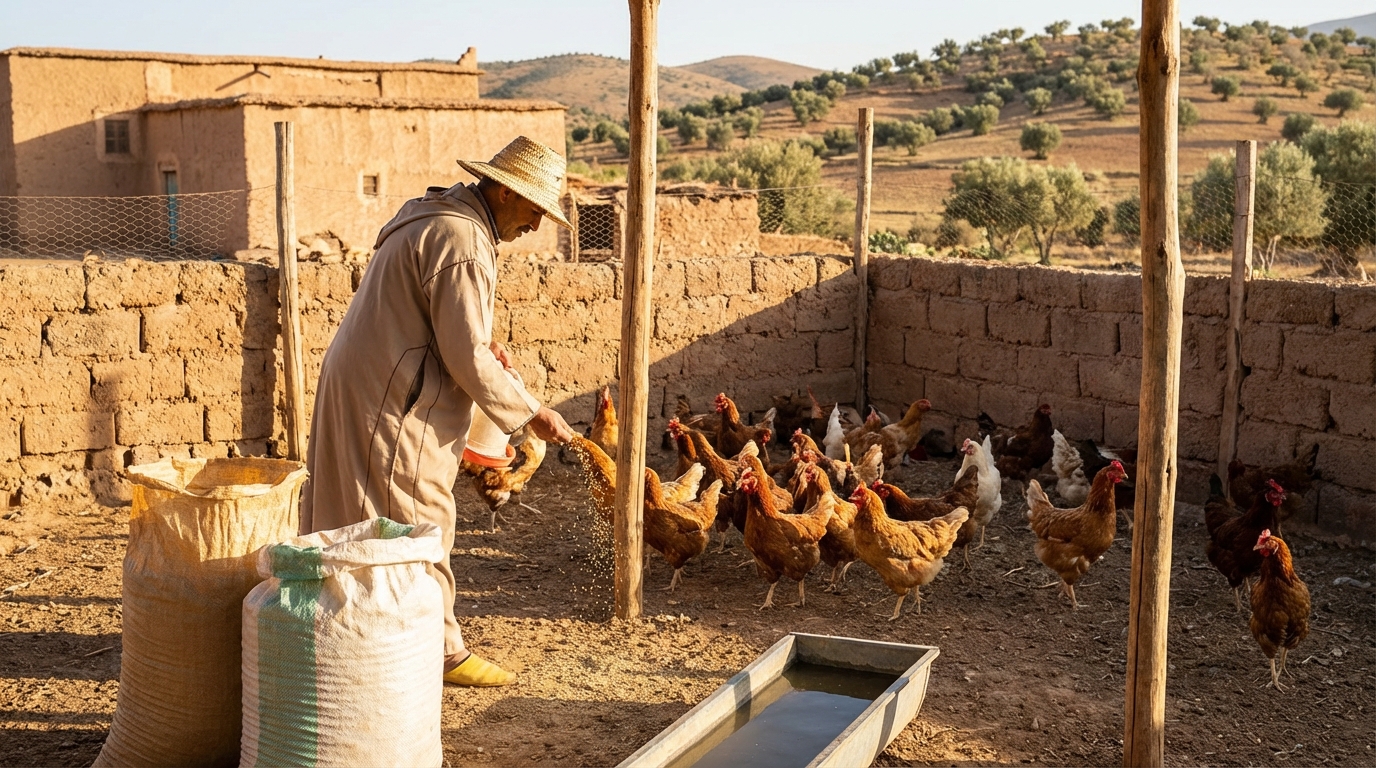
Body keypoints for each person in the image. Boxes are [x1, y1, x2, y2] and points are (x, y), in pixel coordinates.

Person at [301, 136, 575, 687]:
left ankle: (338, 626)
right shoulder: (463, 238)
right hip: (394, 392)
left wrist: (481, 344)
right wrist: (530, 413)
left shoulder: (436, 215)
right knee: (419, 511)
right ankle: (442, 649)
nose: (537, 225)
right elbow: (465, 353)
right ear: (501, 190)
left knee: (349, 504)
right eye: (533, 209)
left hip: (365, 374)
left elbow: (447, 324)